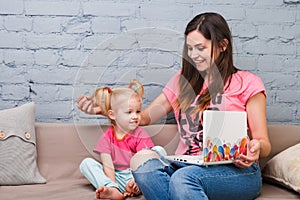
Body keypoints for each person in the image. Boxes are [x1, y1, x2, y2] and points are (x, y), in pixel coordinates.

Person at [77, 12, 271, 200]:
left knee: (182, 179)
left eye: (201, 48)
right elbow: (145, 117)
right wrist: (107, 110)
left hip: (235, 171)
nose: (193, 55)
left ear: (222, 46)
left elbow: (264, 142)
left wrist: (256, 147)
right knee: (141, 163)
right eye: (190, 48)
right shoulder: (182, 82)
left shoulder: (247, 83)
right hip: (184, 166)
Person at [79, 79, 166, 200]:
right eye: (129, 112)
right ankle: (112, 190)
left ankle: (138, 186)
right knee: (86, 164)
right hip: (117, 176)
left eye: (138, 111)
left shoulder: (140, 134)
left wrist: (136, 180)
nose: (135, 116)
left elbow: (144, 163)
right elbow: (108, 166)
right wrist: (112, 184)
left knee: (158, 151)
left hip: (137, 174)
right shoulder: (106, 138)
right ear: (112, 114)